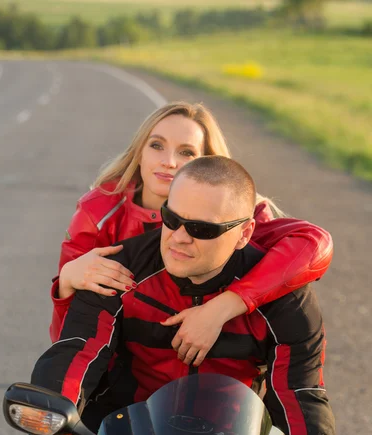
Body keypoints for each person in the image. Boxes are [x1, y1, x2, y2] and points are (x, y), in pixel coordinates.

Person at [8, 157, 334, 435]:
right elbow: (74, 355)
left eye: (201, 229)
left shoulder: (286, 299)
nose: (179, 238)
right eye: (171, 218)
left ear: (244, 233)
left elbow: (302, 400)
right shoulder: (120, 270)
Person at [50, 101, 333, 367]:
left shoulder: (238, 216)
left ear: (209, 166)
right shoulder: (100, 212)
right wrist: (67, 281)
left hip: (222, 379)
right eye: (156, 145)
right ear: (139, 152)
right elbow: (66, 341)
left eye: (187, 152)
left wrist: (223, 307)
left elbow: (313, 244)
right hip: (120, 384)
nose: (169, 161)